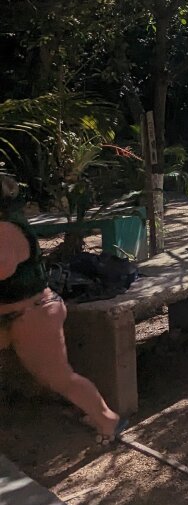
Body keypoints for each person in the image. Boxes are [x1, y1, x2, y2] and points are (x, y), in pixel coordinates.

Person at [0, 174, 126, 441]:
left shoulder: (6, 229)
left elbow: (3, 269)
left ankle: (107, 420)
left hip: (33, 315)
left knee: (59, 378)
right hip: (12, 314)